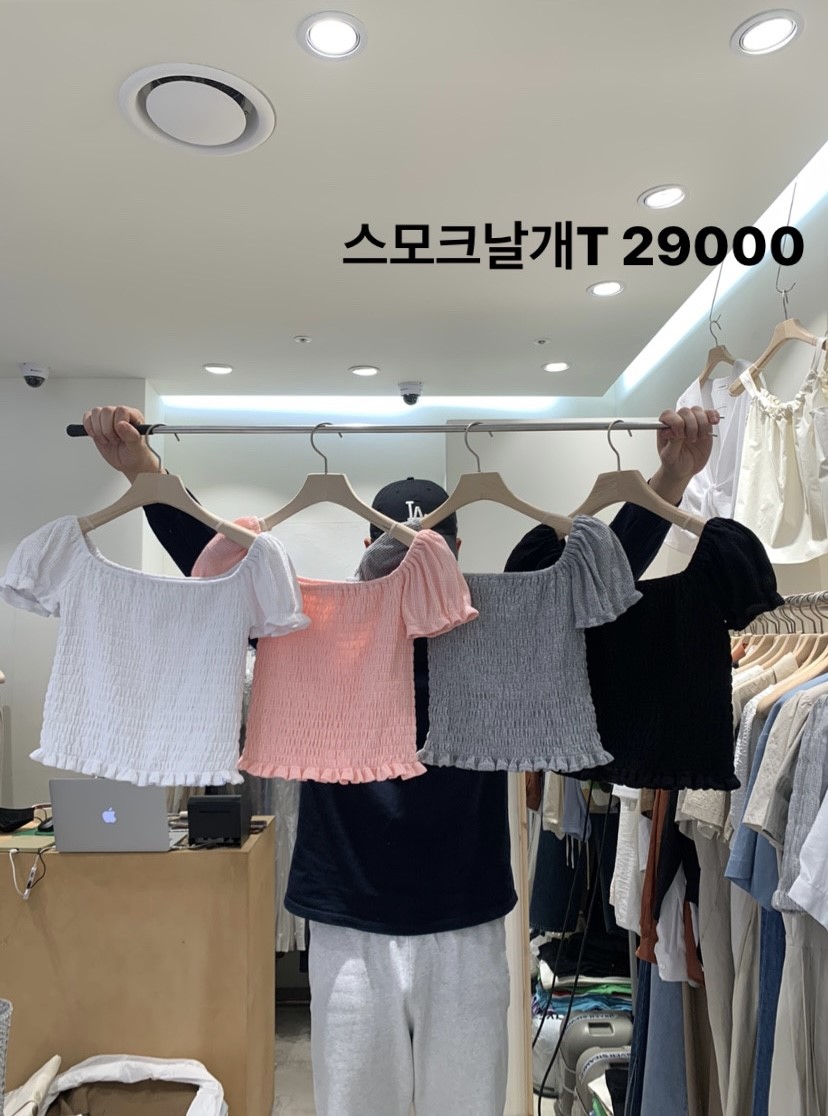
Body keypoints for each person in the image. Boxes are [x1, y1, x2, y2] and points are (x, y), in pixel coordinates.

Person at [82, 404, 719, 1116]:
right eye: (395, 539)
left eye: (428, 540)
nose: (410, 553)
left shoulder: (493, 626)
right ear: (367, 539)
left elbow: (598, 573)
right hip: (350, 921)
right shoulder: (312, 625)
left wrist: (669, 478)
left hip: (466, 918)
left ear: (455, 546)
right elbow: (215, 563)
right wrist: (144, 472)